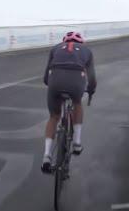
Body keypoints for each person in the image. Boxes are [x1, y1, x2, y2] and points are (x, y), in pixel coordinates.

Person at [41, 31, 97, 174]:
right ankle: (77, 143)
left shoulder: (56, 48)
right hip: (76, 81)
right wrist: (91, 90)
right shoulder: (87, 51)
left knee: (54, 116)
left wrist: (53, 87)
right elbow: (92, 77)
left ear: (64, 41)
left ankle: (46, 156)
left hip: (55, 80)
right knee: (77, 103)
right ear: (81, 42)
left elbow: (46, 76)